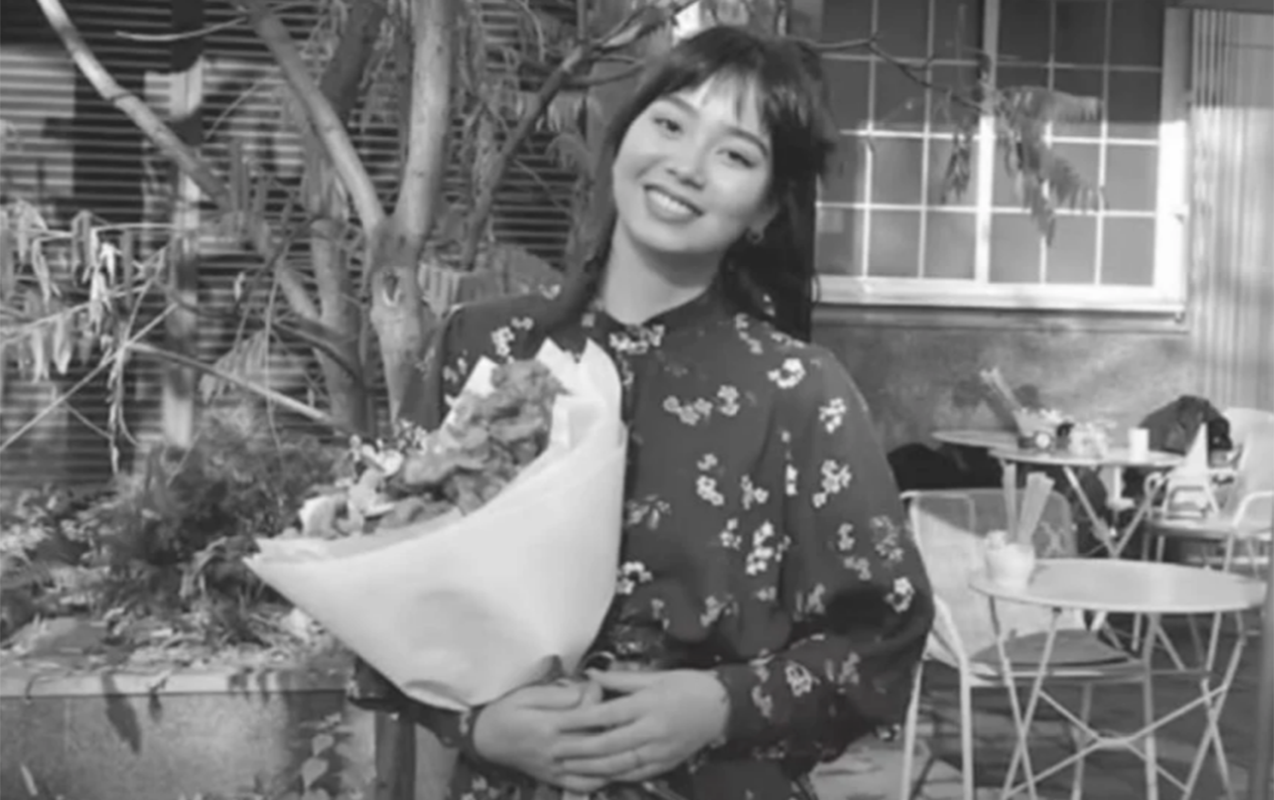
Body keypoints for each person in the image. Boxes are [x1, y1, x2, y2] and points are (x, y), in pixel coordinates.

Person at [355, 23, 935, 800]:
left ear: (766, 208)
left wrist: (723, 705)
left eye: (735, 155)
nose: (686, 166)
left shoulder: (798, 390)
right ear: (623, 137)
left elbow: (884, 633)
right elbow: (383, 586)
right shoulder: (483, 347)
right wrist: (478, 725)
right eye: (669, 125)